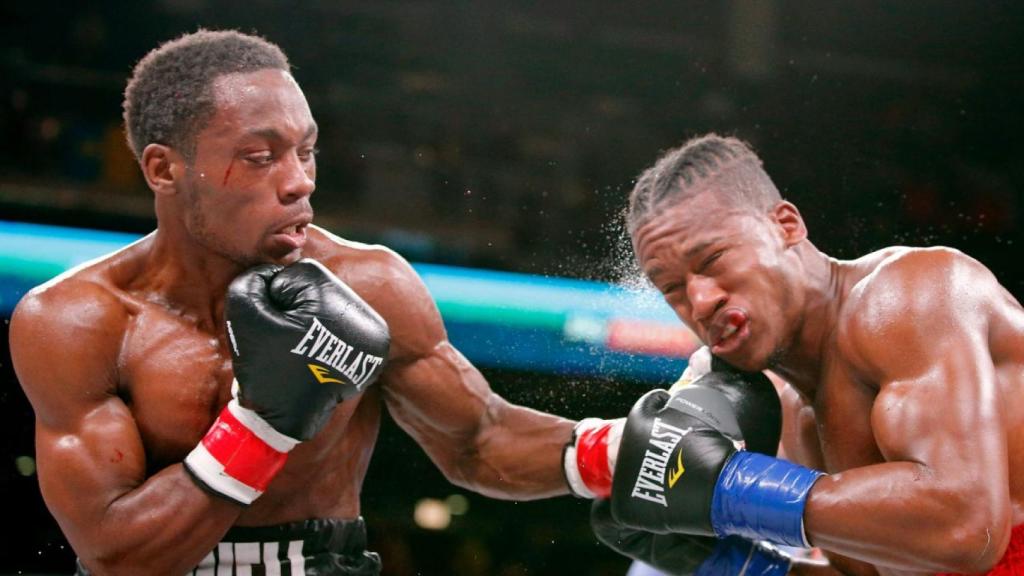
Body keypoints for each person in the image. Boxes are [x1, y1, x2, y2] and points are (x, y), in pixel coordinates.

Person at [9, 29, 664, 575]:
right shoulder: (77, 321)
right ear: (163, 170)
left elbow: (480, 437)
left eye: (307, 151)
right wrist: (264, 423)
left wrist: (632, 455)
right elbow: (115, 554)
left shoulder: (369, 283)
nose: (298, 182)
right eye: (260, 156)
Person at [595, 133, 1024, 575]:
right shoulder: (795, 412)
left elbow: (966, 527)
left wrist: (733, 493)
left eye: (713, 259)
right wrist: (736, 566)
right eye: (672, 288)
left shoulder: (911, 295)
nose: (700, 301)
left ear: (785, 226)